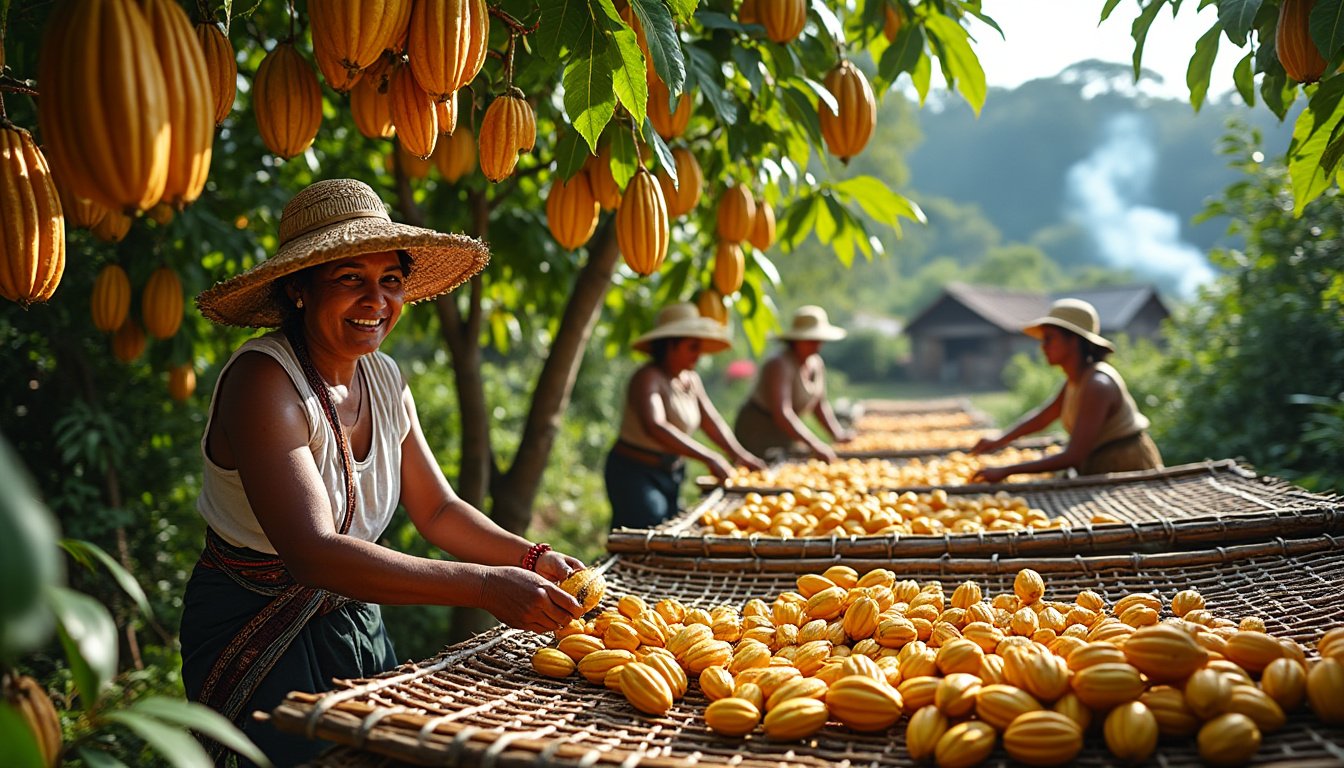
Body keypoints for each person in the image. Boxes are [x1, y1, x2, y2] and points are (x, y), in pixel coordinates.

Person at [182, 179, 586, 766]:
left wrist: (529, 558)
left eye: (390, 281)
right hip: (256, 631)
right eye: (350, 279)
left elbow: (438, 511)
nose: (376, 301)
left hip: (351, 617)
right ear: (298, 288)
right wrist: (484, 586)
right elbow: (314, 552)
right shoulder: (264, 382)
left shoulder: (384, 378)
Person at [606, 303, 766, 529]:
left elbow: (711, 421)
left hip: (671, 472)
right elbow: (656, 425)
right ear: (671, 345)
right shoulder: (648, 378)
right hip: (636, 473)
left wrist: (739, 455)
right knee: (644, 530)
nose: (698, 355)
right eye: (692, 347)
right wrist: (709, 457)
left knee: (665, 527)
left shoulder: (690, 379)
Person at [970, 298, 1163, 483]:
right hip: (1102, 465)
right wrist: (998, 440)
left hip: (1126, 467)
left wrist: (1007, 471)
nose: (1043, 347)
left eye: (1049, 339)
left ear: (1073, 341)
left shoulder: (1098, 385)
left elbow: (1074, 456)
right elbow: (1044, 417)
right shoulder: (1076, 380)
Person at [733, 305, 856, 462]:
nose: (817, 345)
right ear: (796, 340)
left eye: (819, 340)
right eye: (810, 340)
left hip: (784, 431)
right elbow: (782, 413)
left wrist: (837, 434)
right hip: (759, 429)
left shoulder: (816, 363)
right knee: (759, 471)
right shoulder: (779, 363)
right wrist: (815, 444)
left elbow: (819, 404)